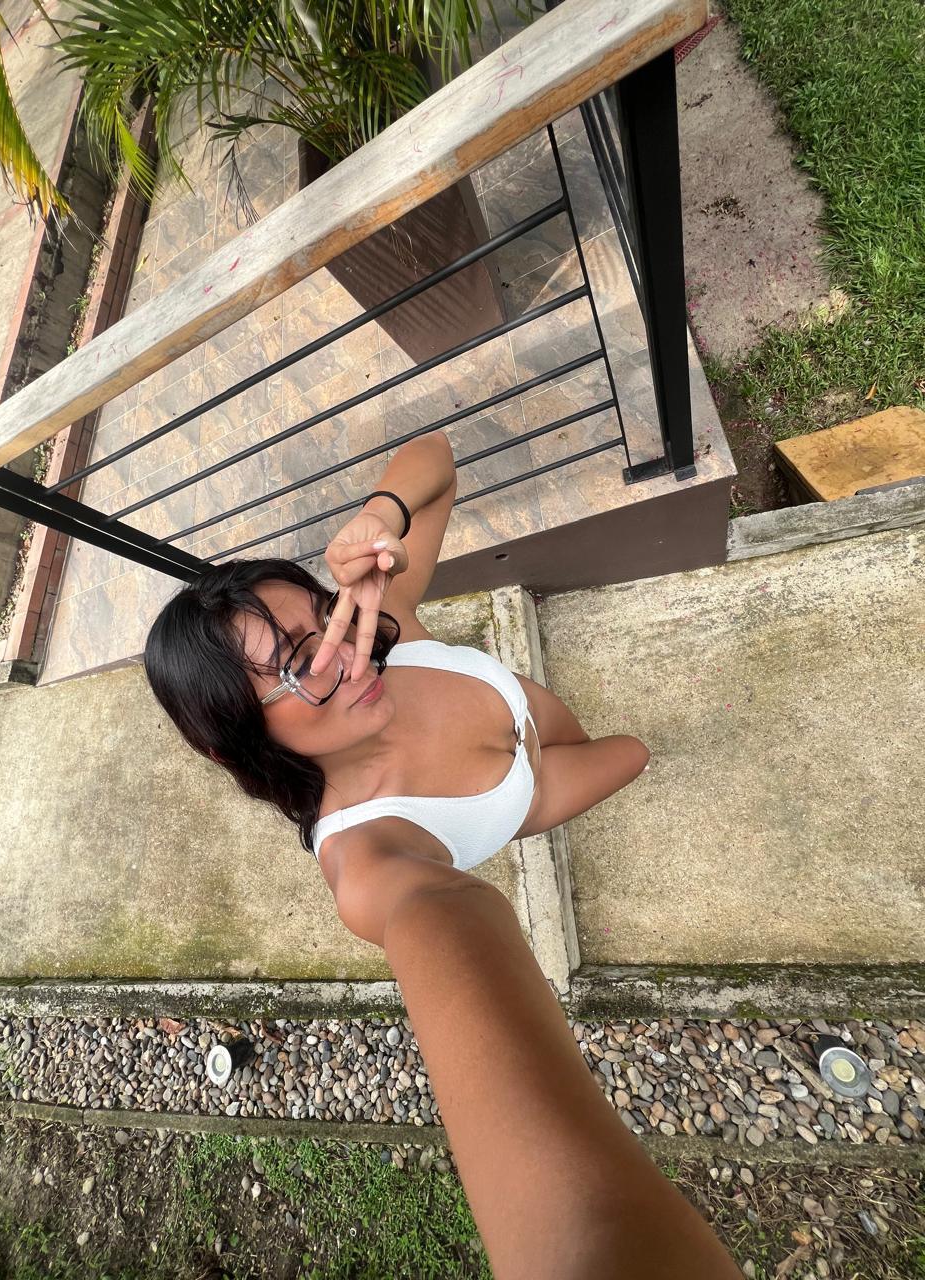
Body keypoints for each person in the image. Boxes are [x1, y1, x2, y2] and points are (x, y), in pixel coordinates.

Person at [145, 431, 740, 1278]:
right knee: (634, 754)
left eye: (325, 615)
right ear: (235, 735)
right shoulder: (371, 860)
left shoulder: (384, 627)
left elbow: (437, 462)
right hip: (530, 796)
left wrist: (379, 517)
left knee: (582, 732)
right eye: (300, 662)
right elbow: (435, 920)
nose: (349, 652)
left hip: (526, 712)